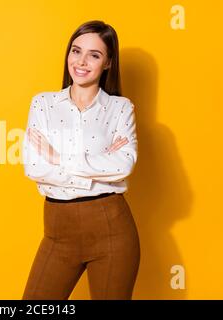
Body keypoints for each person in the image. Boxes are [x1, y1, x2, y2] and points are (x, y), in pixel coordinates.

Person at [22, 20, 140, 300]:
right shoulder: (43, 104)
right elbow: (34, 167)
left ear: (108, 62)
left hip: (112, 230)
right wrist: (98, 164)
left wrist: (57, 156)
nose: (82, 61)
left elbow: (123, 165)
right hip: (57, 233)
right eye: (76, 51)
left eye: (94, 55)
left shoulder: (120, 108)